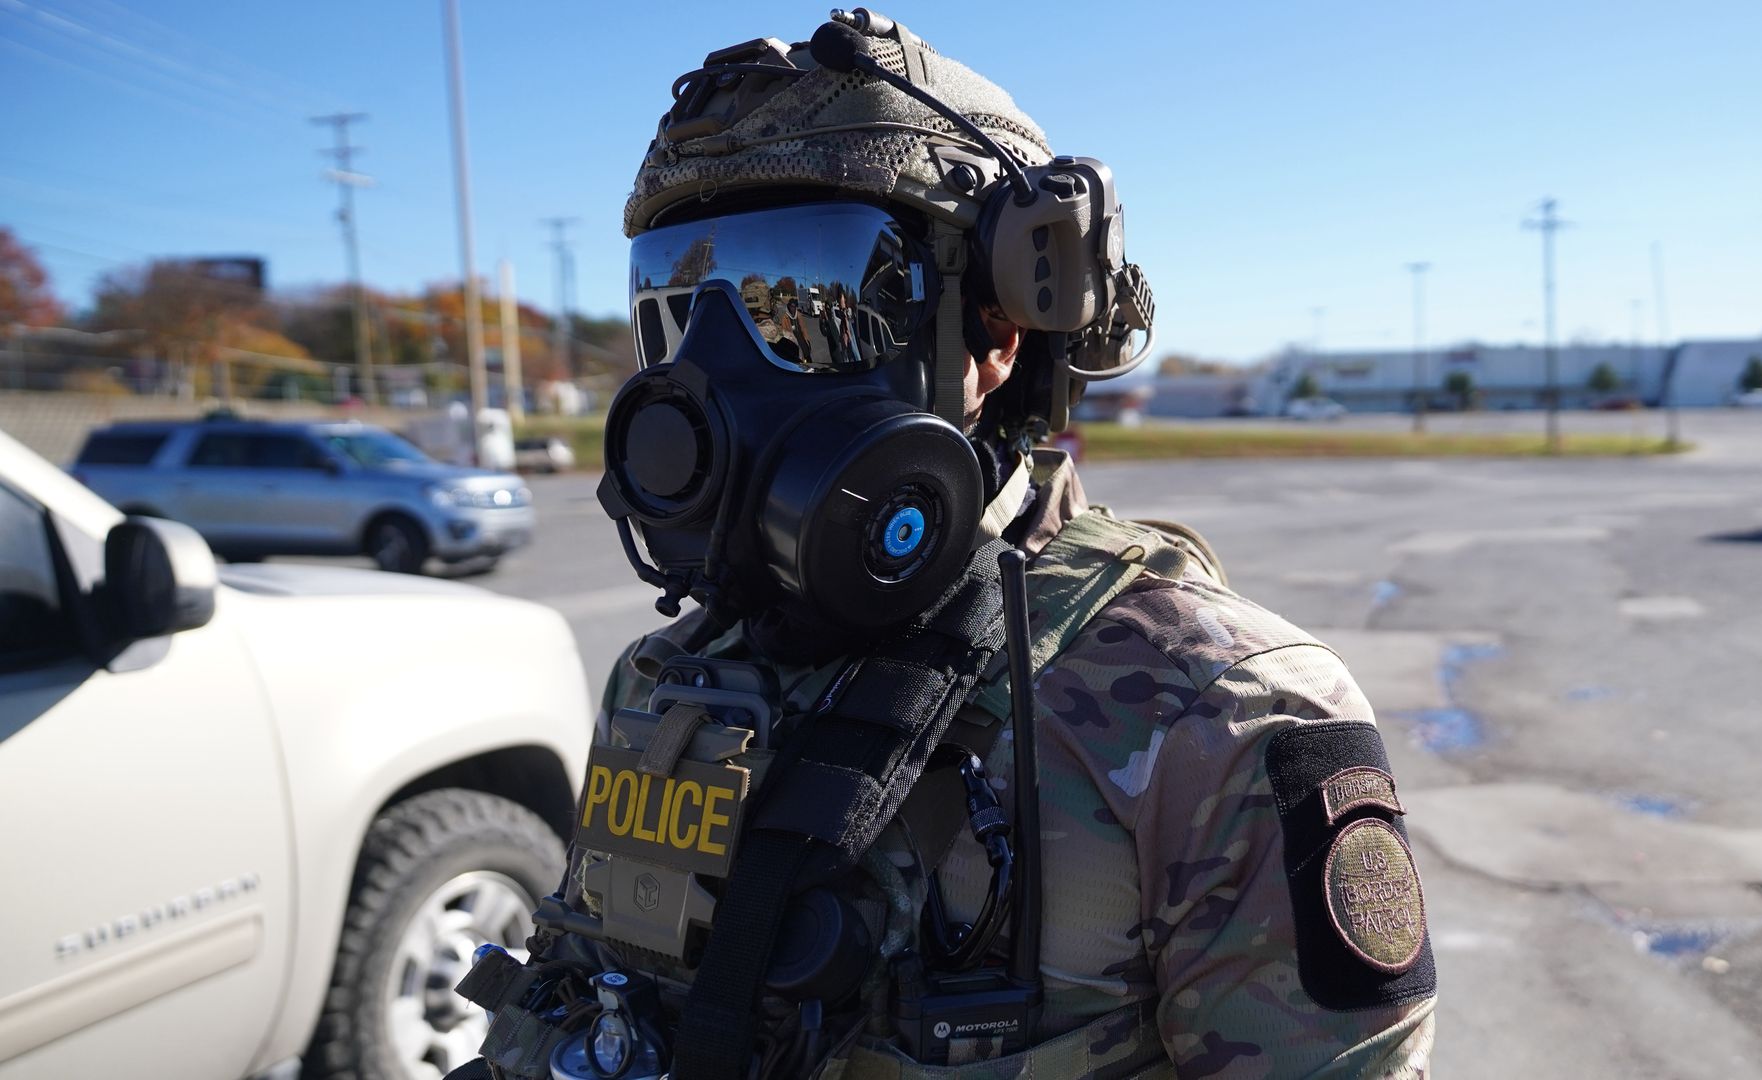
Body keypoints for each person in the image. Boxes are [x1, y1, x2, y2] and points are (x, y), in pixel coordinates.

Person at [461, 9, 1434, 1079]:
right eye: (679, 308)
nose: (715, 371)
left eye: (810, 305)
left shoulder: (1219, 710)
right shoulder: (677, 675)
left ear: (997, 332)